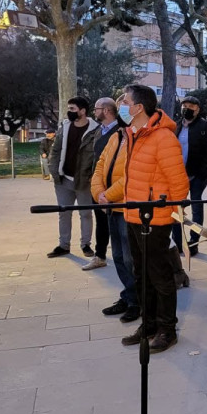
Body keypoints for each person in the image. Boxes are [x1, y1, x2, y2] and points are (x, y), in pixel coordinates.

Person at [119, 84, 189, 353]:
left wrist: (171, 214)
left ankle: (167, 329)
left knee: (159, 276)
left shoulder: (163, 138)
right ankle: (148, 324)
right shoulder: (134, 134)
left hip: (155, 219)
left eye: (125, 101)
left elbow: (179, 183)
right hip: (133, 214)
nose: (122, 105)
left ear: (138, 107)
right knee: (140, 274)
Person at [90, 97, 139, 320]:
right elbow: (100, 165)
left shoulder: (138, 138)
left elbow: (132, 174)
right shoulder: (116, 136)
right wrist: (98, 192)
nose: (122, 110)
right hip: (111, 205)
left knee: (130, 259)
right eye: (120, 107)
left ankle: (137, 301)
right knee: (118, 256)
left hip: (127, 206)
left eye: (125, 105)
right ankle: (128, 295)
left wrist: (107, 196)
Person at [47, 97, 100, 258]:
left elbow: (98, 156)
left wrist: (93, 177)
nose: (69, 112)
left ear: (82, 111)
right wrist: (54, 170)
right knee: (64, 213)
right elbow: (55, 150)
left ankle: (85, 245)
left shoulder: (96, 130)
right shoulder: (65, 126)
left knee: (85, 214)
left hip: (84, 181)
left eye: (72, 109)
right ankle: (64, 245)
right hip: (63, 179)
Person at [173, 95, 207, 256]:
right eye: (184, 105)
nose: (186, 108)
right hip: (178, 176)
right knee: (176, 209)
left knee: (197, 211)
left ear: (197, 109)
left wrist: (202, 173)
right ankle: (178, 242)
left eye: (191, 106)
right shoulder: (177, 126)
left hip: (197, 176)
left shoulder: (205, 127)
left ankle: (193, 242)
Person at [82, 98, 119, 271]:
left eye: (96, 109)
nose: (94, 112)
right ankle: (100, 255)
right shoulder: (98, 131)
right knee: (101, 221)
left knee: (117, 224)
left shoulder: (122, 131)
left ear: (106, 110)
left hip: (115, 186)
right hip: (98, 184)